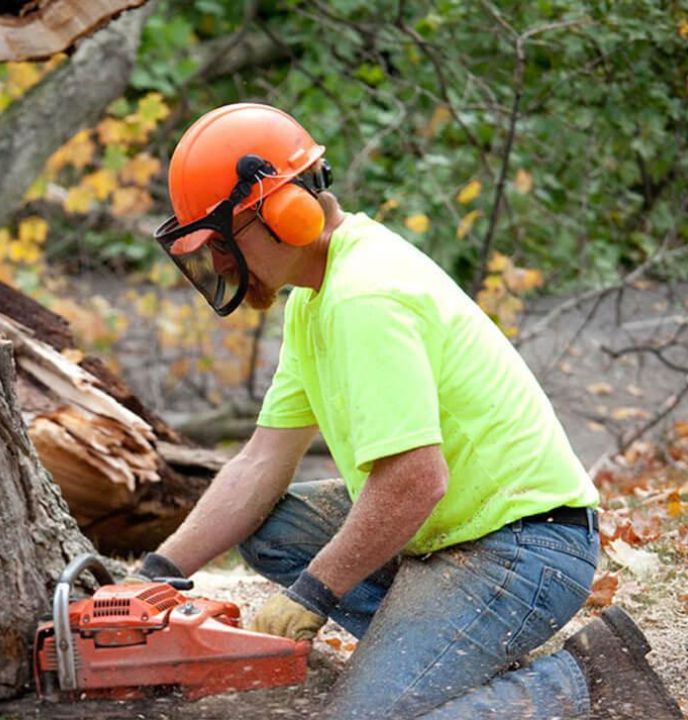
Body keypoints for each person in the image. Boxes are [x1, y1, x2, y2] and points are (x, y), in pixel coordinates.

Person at [138, 103, 682, 719]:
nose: (220, 265)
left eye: (222, 243)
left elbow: (415, 481)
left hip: (524, 546)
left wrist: (314, 592)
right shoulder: (313, 299)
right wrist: (157, 573)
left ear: (282, 213)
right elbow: (261, 462)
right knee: (272, 528)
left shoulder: (364, 296)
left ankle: (588, 680)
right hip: (452, 530)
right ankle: (437, 659)